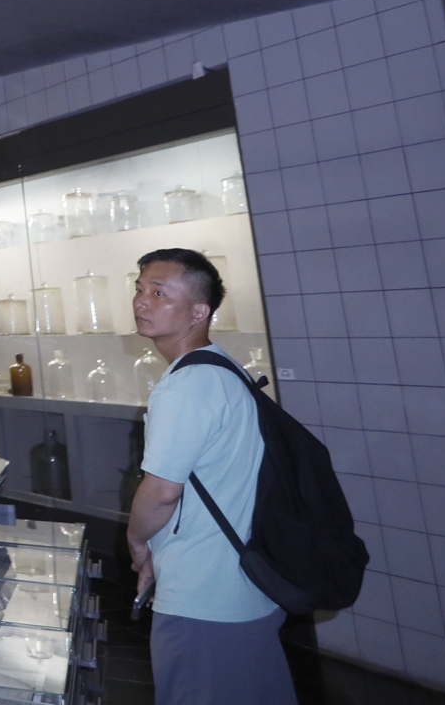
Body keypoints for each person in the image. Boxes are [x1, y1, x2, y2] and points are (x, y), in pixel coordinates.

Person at [125, 248, 293, 705]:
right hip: (245, 583)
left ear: (200, 312)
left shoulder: (184, 388)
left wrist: (138, 544)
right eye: (139, 289)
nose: (142, 301)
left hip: (204, 597)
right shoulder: (223, 369)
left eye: (159, 293)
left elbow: (161, 493)